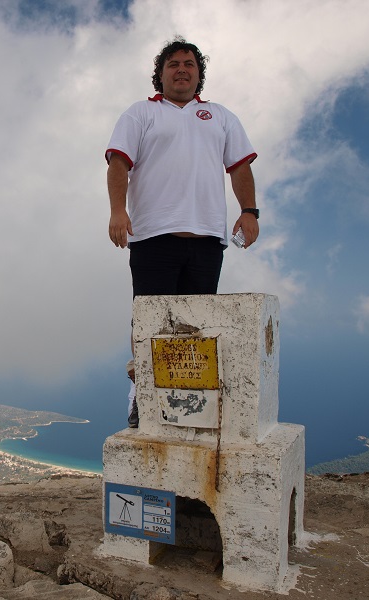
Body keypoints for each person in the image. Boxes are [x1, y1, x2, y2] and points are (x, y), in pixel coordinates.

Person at [105, 37, 259, 427]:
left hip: (207, 239)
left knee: (197, 326)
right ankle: (140, 395)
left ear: (198, 74)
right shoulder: (141, 113)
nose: (182, 70)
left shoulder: (220, 116)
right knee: (149, 322)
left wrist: (249, 211)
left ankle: (190, 402)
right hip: (153, 236)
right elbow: (118, 163)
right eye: (173, 64)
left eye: (189, 64)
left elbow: (239, 167)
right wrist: (118, 211)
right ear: (160, 74)